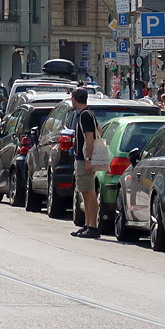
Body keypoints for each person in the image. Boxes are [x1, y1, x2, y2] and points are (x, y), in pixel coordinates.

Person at [70, 87, 101, 239]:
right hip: (81, 158)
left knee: (90, 191)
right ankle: (88, 225)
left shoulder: (85, 115)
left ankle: (93, 226)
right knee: (84, 191)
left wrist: (89, 159)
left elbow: (90, 138)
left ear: (75, 99)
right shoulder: (85, 114)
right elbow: (99, 130)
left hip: (85, 159)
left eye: (72, 99)